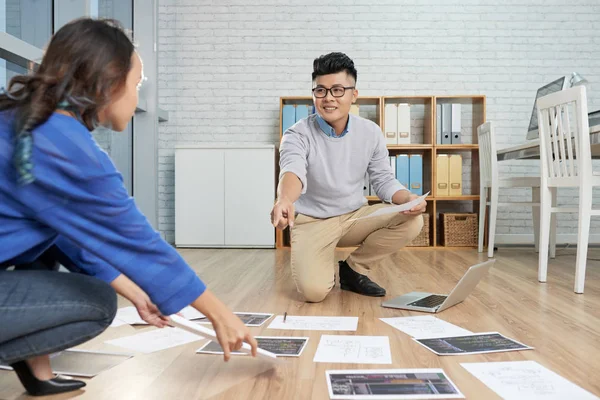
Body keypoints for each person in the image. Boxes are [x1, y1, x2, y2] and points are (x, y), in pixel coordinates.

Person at [0, 18, 257, 397]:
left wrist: (137, 292)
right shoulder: (64, 144)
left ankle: (36, 371)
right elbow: (139, 241)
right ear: (108, 83)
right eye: (136, 85)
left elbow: (68, 232)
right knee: (97, 301)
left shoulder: (26, 122)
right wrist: (220, 313)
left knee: (51, 236)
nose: (138, 97)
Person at [271, 52, 426, 303]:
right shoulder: (296, 134)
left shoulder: (370, 132)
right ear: (313, 94)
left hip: (354, 217)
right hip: (313, 222)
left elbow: (383, 180)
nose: (328, 98)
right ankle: (323, 269)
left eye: (337, 90)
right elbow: (292, 171)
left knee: (413, 221)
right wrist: (284, 200)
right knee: (313, 292)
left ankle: (353, 269)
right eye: (320, 90)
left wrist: (408, 197)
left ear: (354, 94)